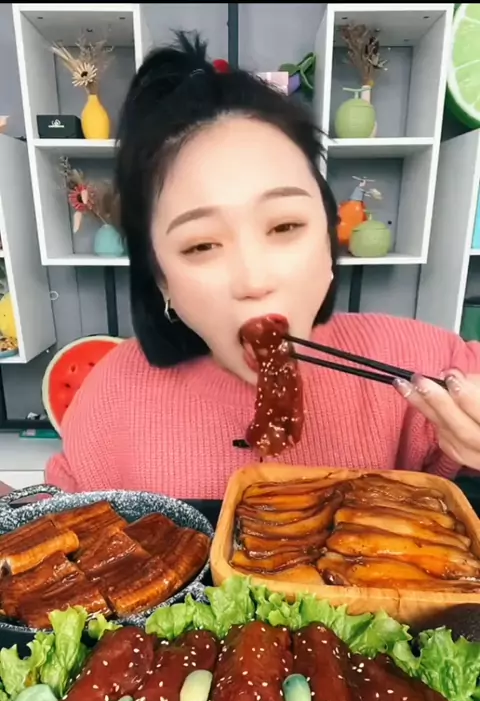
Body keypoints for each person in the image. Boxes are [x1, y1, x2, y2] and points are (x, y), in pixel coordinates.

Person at [45, 32, 480, 501]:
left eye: (285, 226)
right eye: (201, 245)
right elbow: (56, 520)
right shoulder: (110, 398)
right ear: (161, 278)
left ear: (328, 238)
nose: (254, 280)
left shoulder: (425, 366)